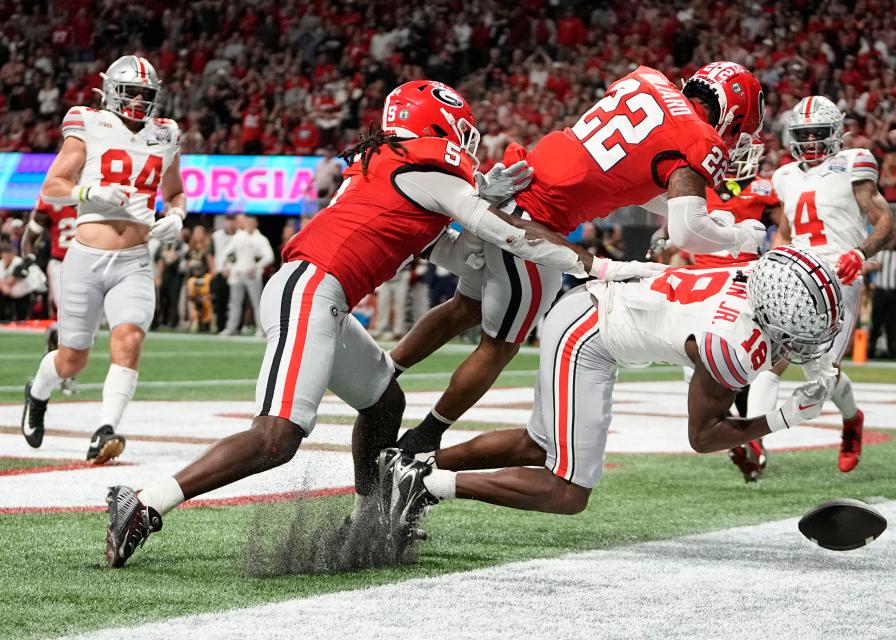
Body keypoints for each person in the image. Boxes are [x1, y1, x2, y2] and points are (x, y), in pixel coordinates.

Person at [102, 79, 649, 568]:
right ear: (435, 126)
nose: (465, 144)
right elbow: (505, 235)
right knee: (276, 438)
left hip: (324, 296)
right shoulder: (425, 169)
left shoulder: (386, 168)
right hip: (311, 289)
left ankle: (370, 519)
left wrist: (480, 214)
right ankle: (146, 501)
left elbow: (455, 252)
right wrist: (599, 266)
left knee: (385, 401)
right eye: (458, 131)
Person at [391, 62, 768, 454]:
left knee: (464, 307)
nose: (736, 139)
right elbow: (687, 232)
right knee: (500, 345)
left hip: (510, 190)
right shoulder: (699, 137)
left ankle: (389, 372)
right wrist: (740, 234)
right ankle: (422, 440)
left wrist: (701, 212)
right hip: (538, 227)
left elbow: (627, 177)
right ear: (731, 113)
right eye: (740, 129)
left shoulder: (648, 80)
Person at [378, 247, 844, 540]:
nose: (807, 337)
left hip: (589, 311)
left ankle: (413, 466)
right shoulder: (733, 345)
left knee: (537, 446)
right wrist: (783, 418)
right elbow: (703, 436)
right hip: (589, 336)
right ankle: (423, 486)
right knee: (568, 492)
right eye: (804, 325)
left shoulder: (753, 273)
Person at [20, 55, 186, 463]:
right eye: (130, 91)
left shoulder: (165, 133)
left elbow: (176, 190)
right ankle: (38, 392)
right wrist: (88, 193)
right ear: (111, 90)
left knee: (129, 339)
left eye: (145, 94)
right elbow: (54, 184)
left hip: (134, 260)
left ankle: (106, 429)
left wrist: (178, 216)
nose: (137, 100)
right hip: (85, 258)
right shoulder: (88, 122)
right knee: (73, 358)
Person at [749, 95, 896, 473]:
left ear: (835, 133)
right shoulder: (784, 175)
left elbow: (884, 222)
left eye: (818, 132)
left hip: (839, 274)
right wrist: (775, 261)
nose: (811, 141)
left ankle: (851, 420)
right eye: (804, 133)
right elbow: (784, 230)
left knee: (823, 370)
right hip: (797, 274)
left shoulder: (853, 162)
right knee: (770, 356)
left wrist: (860, 253)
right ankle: (751, 436)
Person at [680, 137, 783, 481]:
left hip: (702, 284)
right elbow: (787, 230)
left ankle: (729, 431)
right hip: (739, 285)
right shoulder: (762, 188)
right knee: (756, 363)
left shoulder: (696, 185)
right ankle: (746, 436)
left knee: (700, 360)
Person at [19, 198, 79, 393]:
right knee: (69, 321)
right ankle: (65, 375)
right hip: (61, 264)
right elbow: (27, 239)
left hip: (89, 266)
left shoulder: (97, 195)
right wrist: (31, 263)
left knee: (87, 330)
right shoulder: (52, 201)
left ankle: (53, 336)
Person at [219, 214, 274, 337]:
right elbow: (227, 252)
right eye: (247, 222)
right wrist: (226, 266)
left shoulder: (260, 239)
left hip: (252, 275)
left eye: (251, 223)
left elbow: (269, 257)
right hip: (238, 273)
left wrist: (257, 266)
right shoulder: (239, 237)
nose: (249, 225)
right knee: (234, 302)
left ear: (256, 224)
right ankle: (231, 327)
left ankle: (261, 329)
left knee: (257, 303)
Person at [865, 229, 896, 359]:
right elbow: (865, 268)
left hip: (895, 292)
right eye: (889, 238)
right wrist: (874, 267)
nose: (892, 241)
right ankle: (871, 352)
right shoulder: (878, 252)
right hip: (880, 291)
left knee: (895, 324)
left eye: (894, 238)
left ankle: (894, 353)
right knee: (876, 322)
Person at [210, 214, 238, 332]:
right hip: (220, 272)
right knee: (220, 300)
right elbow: (211, 254)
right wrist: (214, 270)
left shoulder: (239, 236)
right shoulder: (217, 236)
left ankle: (233, 326)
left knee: (234, 301)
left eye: (232, 221)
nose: (230, 224)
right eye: (228, 221)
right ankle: (220, 325)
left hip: (235, 273)